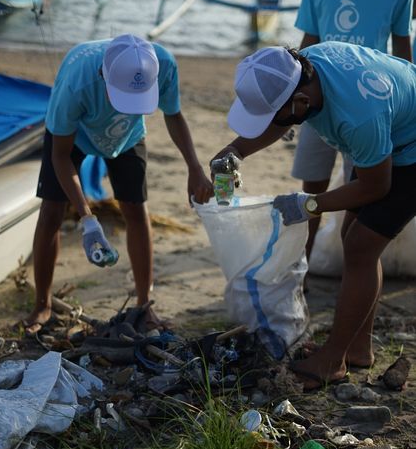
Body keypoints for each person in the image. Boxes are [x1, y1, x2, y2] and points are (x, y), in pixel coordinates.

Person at [212, 42, 416, 389]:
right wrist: (235, 150)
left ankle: (332, 361)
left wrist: (309, 204)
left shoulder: (358, 115)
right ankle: (357, 350)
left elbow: (375, 188)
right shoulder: (299, 68)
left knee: (361, 246)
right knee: (353, 233)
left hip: (408, 147)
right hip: (389, 133)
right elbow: (281, 117)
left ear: (302, 103)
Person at [23, 34, 213, 335]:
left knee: (136, 211)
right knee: (51, 212)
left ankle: (144, 304)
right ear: (103, 75)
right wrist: (87, 218)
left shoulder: (161, 64)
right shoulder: (77, 82)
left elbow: (173, 115)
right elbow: (61, 156)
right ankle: (42, 304)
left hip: (127, 136)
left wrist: (194, 167)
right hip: (76, 136)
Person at [291, 0, 413, 262]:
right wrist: (292, 96)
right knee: (312, 182)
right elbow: (308, 40)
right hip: (316, 98)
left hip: (367, 106)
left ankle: (354, 268)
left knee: (357, 189)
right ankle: (302, 264)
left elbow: (402, 47)